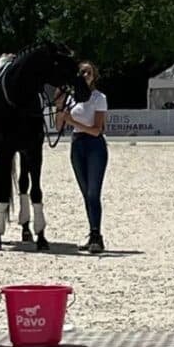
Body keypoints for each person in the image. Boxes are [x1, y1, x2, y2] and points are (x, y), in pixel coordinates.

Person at [55, 61, 109, 253]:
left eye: (88, 72)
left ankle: (97, 235)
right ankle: (92, 232)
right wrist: (60, 107)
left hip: (94, 145)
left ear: (94, 75)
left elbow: (97, 130)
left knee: (94, 192)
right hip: (77, 144)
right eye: (82, 72)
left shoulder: (98, 98)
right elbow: (58, 127)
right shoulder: (71, 99)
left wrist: (73, 121)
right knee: (86, 193)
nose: (85, 74)